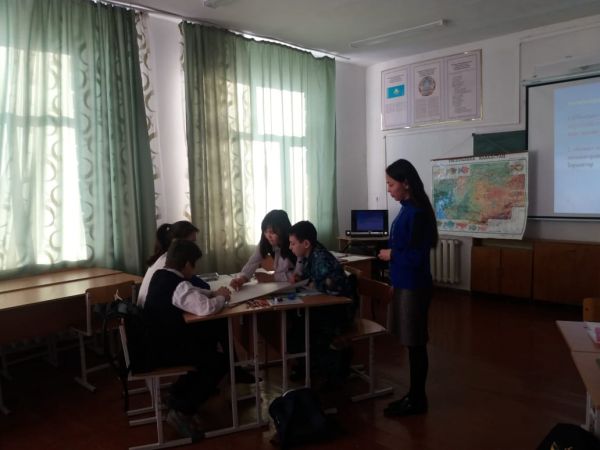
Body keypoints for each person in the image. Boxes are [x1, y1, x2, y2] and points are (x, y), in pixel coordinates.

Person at [143, 239, 231, 438]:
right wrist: (222, 298)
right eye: (194, 264)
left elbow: (191, 291)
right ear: (186, 264)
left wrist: (212, 292)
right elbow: (205, 308)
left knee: (207, 349)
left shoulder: (161, 275)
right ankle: (183, 410)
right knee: (218, 362)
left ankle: (175, 395)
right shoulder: (178, 285)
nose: (195, 269)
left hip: (155, 344)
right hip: (165, 350)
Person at [377, 159, 438, 417]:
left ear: (406, 183)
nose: (388, 189)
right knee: (411, 343)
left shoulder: (417, 213)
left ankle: (417, 399)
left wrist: (391, 255)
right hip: (404, 284)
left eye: (391, 184)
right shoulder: (406, 209)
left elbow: (416, 257)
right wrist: (394, 282)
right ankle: (413, 396)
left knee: (415, 344)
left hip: (415, 286)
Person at [287, 220, 353, 382]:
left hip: (339, 312)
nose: (290, 247)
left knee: (303, 326)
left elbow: (334, 288)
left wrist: (312, 284)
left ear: (306, 243)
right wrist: (302, 279)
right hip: (327, 307)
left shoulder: (321, 258)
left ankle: (327, 371)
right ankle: (308, 366)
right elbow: (312, 277)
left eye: (293, 243)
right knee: (296, 321)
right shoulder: (311, 254)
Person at [138, 221, 210, 308]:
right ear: (176, 242)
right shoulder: (171, 262)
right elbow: (203, 286)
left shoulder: (166, 257)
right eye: (191, 242)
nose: (193, 246)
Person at [229, 209, 297, 290]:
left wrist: (272, 277)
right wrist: (242, 279)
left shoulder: (294, 243)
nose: (268, 236)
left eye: (272, 232)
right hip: (280, 287)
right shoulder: (266, 241)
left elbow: (300, 274)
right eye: (265, 231)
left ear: (283, 230)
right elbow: (253, 262)